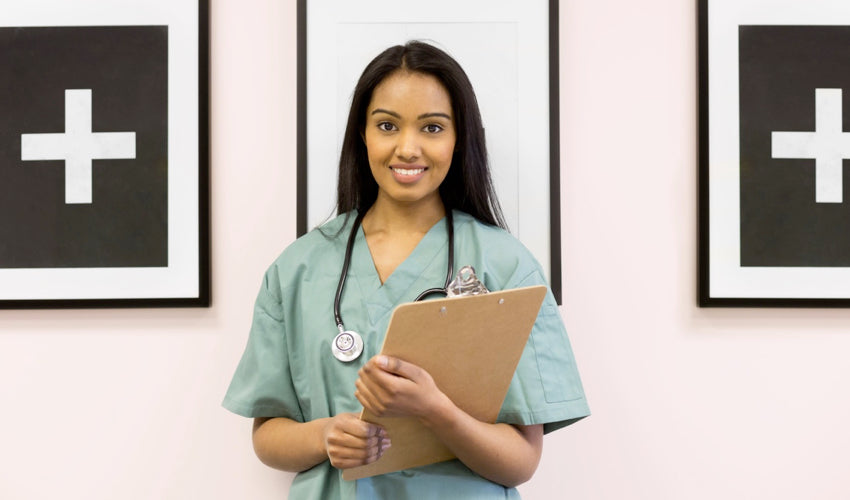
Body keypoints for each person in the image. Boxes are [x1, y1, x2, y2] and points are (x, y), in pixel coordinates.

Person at [223, 40, 589, 499]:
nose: (407, 148)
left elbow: (520, 461)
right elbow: (267, 436)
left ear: (459, 138)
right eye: (387, 125)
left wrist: (436, 410)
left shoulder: (506, 266)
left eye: (432, 127)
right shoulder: (298, 268)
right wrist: (325, 435)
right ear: (363, 133)